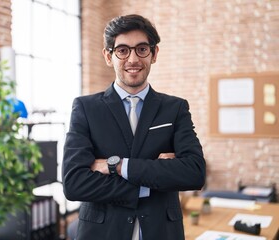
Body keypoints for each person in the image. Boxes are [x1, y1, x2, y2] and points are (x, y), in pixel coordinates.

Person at [62, 14, 206, 240]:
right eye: (122, 50)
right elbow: (74, 183)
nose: (132, 59)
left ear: (154, 54)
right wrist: (150, 182)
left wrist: (118, 166)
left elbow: (194, 173)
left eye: (141, 49)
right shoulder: (85, 108)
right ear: (108, 56)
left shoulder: (175, 108)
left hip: (162, 232)